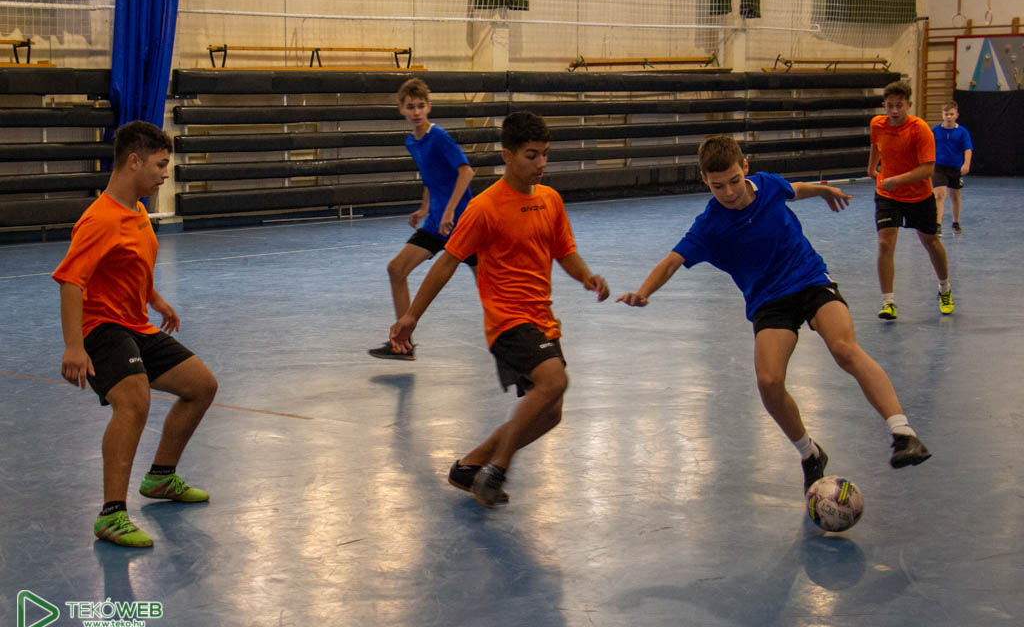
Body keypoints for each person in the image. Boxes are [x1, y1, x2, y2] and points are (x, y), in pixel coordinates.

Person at [618, 135, 931, 493]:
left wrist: (823, 191)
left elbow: (793, 190)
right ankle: (810, 453)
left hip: (810, 279)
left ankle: (903, 433)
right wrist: (643, 292)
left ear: (745, 167)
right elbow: (672, 261)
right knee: (768, 381)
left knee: (844, 348)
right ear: (704, 180)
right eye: (718, 186)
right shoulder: (709, 226)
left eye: (734, 181)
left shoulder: (767, 184)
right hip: (769, 301)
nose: (729, 192)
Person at [389, 111, 609, 507]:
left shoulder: (551, 200)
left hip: (542, 319)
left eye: (545, 154)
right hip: (507, 321)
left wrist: (587, 277)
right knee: (554, 381)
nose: (541, 163)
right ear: (507, 155)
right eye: (531, 155)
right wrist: (411, 316)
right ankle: (497, 468)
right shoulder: (485, 207)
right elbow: (446, 262)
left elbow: (565, 252)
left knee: (551, 413)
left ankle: (470, 465)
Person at [53, 121, 218, 547]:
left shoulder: (139, 211)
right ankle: (111, 515)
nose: (165, 173)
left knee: (201, 386)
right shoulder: (99, 220)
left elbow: (131, 266)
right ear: (133, 162)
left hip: (134, 322)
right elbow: (71, 282)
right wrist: (74, 346)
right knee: (134, 400)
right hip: (100, 327)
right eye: (160, 165)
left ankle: (161, 477)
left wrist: (154, 298)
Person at [368, 77, 477, 361]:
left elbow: (466, 172)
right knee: (396, 269)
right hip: (436, 226)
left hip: (463, 225)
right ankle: (403, 344)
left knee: (492, 287)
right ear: (401, 110)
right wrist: (424, 207)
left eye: (420, 106)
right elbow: (431, 176)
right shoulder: (412, 142)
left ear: (429, 107)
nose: (416, 112)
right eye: (410, 107)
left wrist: (450, 210)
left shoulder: (438, 137)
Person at [868, 80, 954, 320]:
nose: (895, 110)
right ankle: (888, 302)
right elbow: (876, 143)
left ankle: (944, 289)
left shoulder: (920, 130)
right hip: (887, 194)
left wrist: (897, 179)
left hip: (918, 195)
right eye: (890, 106)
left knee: (930, 242)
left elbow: (928, 169)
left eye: (899, 105)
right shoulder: (877, 123)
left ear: (909, 105)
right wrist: (871, 167)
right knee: (885, 243)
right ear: (884, 105)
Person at [932, 101, 973, 236]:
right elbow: (928, 146)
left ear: (956, 115)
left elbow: (968, 148)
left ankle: (956, 222)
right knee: (939, 195)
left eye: (951, 114)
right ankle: (937, 225)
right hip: (939, 167)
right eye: (946, 114)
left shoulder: (962, 132)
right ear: (942, 115)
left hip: (955, 168)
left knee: (955, 195)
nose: (949, 117)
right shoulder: (935, 131)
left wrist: (966, 164)